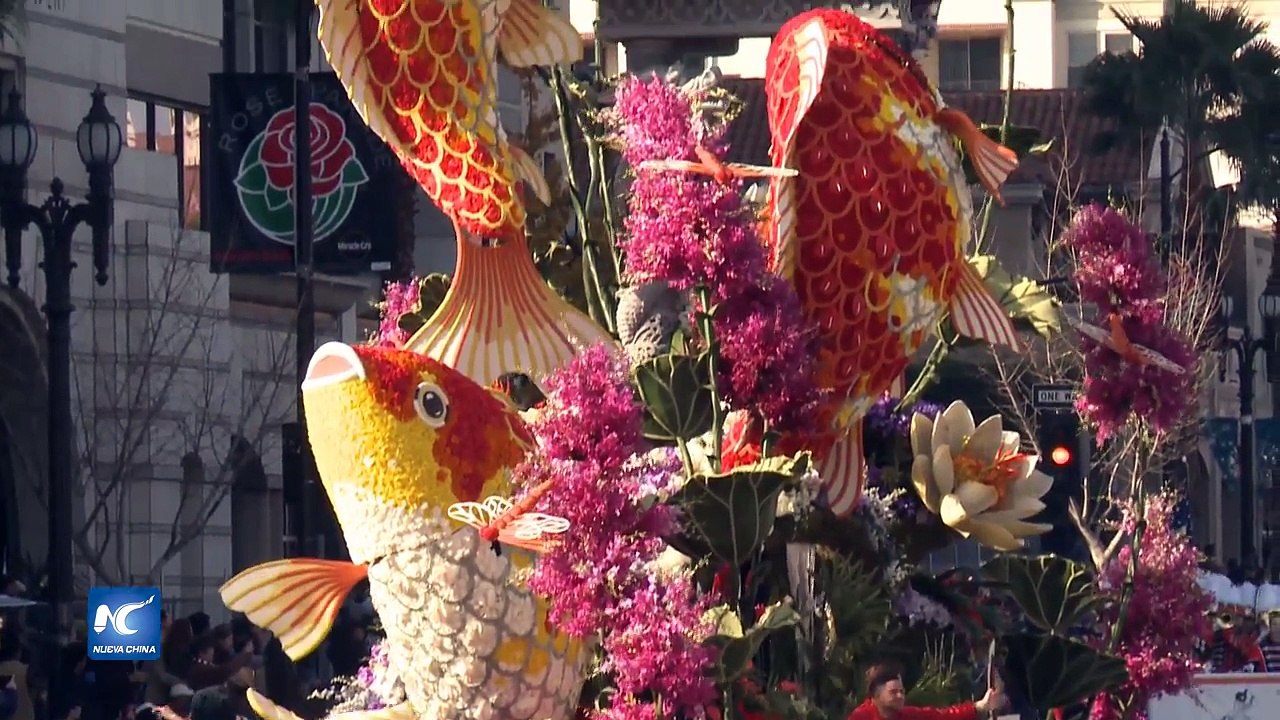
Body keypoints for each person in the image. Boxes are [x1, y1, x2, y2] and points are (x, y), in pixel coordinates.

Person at [847, 663, 1005, 720]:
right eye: (893, 692)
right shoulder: (860, 717)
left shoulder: (907, 715)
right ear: (876, 695)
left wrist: (980, 706)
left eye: (902, 691)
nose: (900, 696)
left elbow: (942, 716)